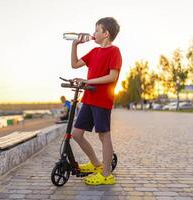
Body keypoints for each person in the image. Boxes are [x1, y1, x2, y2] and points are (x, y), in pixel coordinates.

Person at [70, 17, 122, 185]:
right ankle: (96, 165)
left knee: (103, 135)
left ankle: (106, 175)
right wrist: (74, 45)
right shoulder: (94, 52)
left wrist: (87, 81)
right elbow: (75, 64)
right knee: (76, 134)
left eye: (96, 31)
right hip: (89, 99)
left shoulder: (114, 51)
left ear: (106, 34)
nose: (93, 34)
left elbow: (112, 76)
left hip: (102, 100)